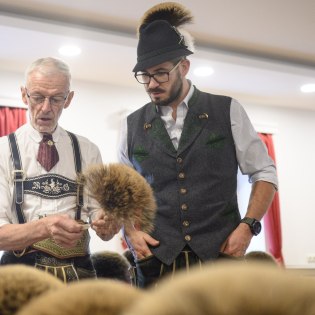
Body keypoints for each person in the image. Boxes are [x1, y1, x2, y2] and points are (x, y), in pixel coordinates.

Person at [118, 2, 278, 288]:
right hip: (157, 264)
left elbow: (265, 172)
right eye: (145, 75)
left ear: (184, 66)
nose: (152, 83)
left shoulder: (227, 110)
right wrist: (130, 232)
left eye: (161, 73)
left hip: (221, 258)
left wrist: (249, 226)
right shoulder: (131, 124)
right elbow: (122, 191)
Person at [0, 57, 120, 282]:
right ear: (24, 94)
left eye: (56, 99)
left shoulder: (88, 150)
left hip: (80, 274)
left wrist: (108, 224)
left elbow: (102, 222)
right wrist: (44, 227)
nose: (46, 108)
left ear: (69, 99)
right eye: (37, 97)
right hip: (19, 276)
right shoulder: (3, 151)